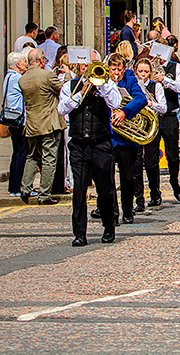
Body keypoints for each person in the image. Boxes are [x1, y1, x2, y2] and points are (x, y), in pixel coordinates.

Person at [57, 54, 123, 246]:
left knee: (105, 189)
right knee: (79, 188)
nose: (86, 67)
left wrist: (101, 85)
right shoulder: (70, 86)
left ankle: (108, 226)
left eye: (90, 64)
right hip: (78, 143)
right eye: (83, 64)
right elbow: (62, 109)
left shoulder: (107, 84)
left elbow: (115, 103)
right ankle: (79, 233)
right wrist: (81, 92)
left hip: (101, 143)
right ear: (77, 66)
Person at [18, 48, 64, 205]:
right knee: (49, 158)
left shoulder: (23, 79)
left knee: (32, 156)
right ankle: (44, 194)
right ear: (42, 60)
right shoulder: (47, 75)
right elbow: (64, 90)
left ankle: (25, 188)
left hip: (32, 124)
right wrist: (67, 74)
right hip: (49, 124)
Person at [106, 53, 148, 224]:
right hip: (107, 137)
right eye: (113, 68)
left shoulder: (130, 81)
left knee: (128, 176)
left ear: (124, 69)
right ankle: (112, 213)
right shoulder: (102, 81)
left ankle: (127, 210)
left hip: (125, 138)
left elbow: (141, 98)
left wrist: (124, 111)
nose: (116, 72)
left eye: (119, 69)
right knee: (106, 178)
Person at [149, 46, 180, 203]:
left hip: (170, 114)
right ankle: (154, 191)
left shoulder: (176, 67)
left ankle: (174, 182)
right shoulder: (148, 66)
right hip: (152, 116)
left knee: (172, 154)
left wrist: (164, 79)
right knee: (151, 158)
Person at [133, 58, 168, 206]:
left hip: (151, 127)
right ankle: (139, 199)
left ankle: (155, 192)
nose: (143, 75)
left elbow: (164, 108)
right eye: (140, 71)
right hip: (136, 127)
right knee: (135, 164)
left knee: (151, 162)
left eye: (146, 72)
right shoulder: (133, 86)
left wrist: (150, 103)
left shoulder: (156, 86)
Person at [3, 52, 29, 197]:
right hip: (19, 120)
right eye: (25, 61)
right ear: (18, 64)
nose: (26, 64)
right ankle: (17, 186)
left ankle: (12, 186)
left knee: (16, 152)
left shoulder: (8, 77)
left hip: (11, 119)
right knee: (22, 153)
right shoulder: (17, 78)